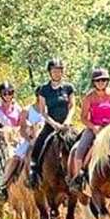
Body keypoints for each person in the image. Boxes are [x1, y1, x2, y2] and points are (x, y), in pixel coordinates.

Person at [68, 68, 110, 190]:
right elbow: (84, 117)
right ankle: (79, 177)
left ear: (107, 81)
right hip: (95, 128)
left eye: (104, 80)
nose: (101, 83)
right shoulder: (89, 97)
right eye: (98, 80)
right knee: (79, 150)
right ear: (93, 82)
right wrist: (93, 127)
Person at [26, 58, 76, 187]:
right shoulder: (44, 89)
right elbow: (43, 112)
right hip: (51, 124)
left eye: (59, 70)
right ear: (50, 72)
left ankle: (81, 174)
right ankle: (34, 172)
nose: (57, 73)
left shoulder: (68, 88)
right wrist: (54, 124)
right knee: (39, 144)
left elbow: (72, 106)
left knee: (78, 144)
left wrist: (67, 121)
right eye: (54, 71)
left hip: (66, 125)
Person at [0, 81, 24, 185]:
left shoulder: (18, 108)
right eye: (5, 93)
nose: (7, 95)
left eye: (10, 93)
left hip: (16, 138)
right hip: (2, 139)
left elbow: (20, 124)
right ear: (1, 95)